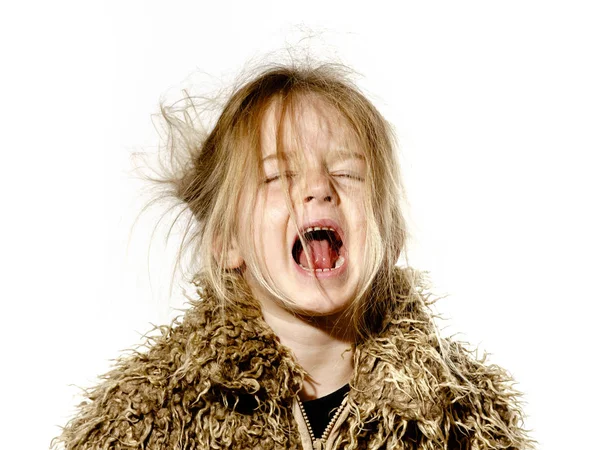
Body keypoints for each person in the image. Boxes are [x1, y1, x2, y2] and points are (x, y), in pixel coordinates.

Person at [52, 64, 532, 449]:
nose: (319, 189)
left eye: (347, 173)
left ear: (389, 235)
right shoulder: (146, 421)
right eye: (277, 176)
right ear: (226, 241)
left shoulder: (464, 423)